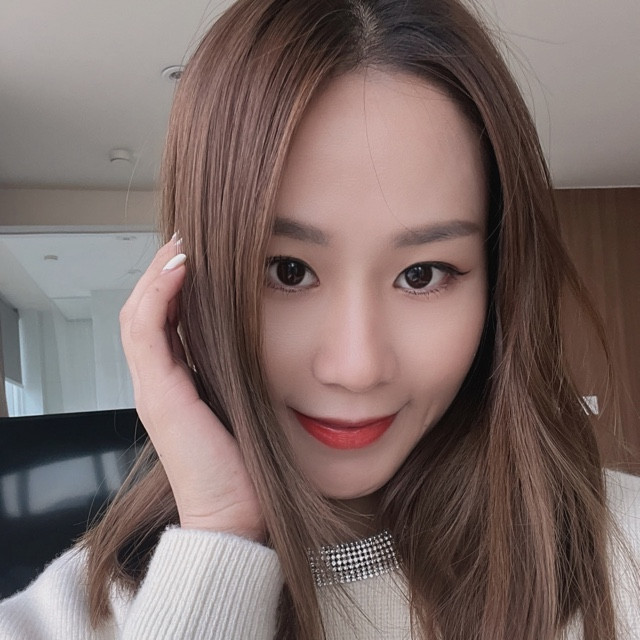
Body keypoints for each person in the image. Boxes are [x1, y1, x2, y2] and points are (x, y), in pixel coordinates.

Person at [1, 0, 639, 638]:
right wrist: (219, 539)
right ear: (190, 283)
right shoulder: (69, 616)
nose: (356, 368)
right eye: (288, 271)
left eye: (422, 274)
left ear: (499, 284)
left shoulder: (624, 551)